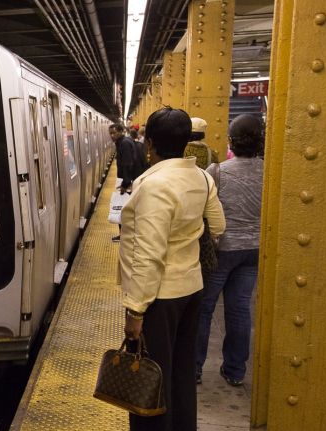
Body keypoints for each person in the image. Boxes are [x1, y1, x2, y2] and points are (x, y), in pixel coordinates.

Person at [120, 107, 225, 431]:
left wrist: (135, 311)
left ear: (149, 144)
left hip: (159, 297)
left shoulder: (154, 185)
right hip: (191, 289)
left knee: (150, 378)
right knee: (179, 374)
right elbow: (218, 226)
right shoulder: (201, 177)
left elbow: (149, 255)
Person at [195, 114, 264, 387]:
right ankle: (235, 370)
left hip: (222, 249)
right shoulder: (270, 170)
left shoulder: (218, 171)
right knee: (239, 309)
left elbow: (205, 211)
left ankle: (194, 368)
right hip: (253, 250)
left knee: (204, 308)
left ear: (231, 141)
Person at [109, 123, 145, 241]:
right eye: (110, 133)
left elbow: (128, 164)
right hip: (128, 179)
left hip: (127, 181)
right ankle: (125, 234)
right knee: (124, 208)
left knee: (123, 209)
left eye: (114, 133)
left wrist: (125, 184)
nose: (112, 135)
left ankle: (125, 235)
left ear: (121, 132)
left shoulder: (124, 143)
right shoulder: (124, 142)